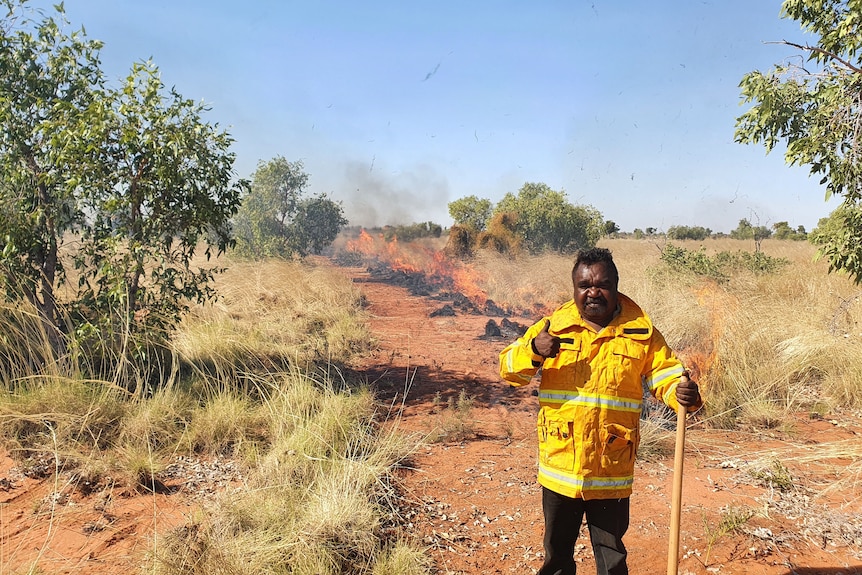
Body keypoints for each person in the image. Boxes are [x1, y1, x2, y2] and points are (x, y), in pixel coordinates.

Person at [499, 247, 702, 575]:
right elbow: (509, 370)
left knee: (612, 559)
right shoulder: (554, 327)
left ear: (616, 286)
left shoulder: (641, 333)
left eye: (602, 284)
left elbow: (666, 376)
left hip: (611, 468)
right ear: (574, 289)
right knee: (556, 557)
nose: (593, 292)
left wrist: (684, 394)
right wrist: (534, 351)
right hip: (561, 467)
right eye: (584, 285)